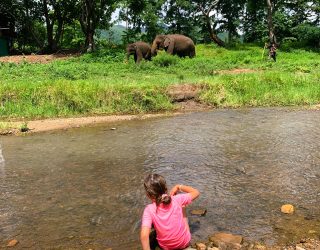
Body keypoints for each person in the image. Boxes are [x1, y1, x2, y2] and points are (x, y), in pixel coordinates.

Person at [140, 173, 200, 250]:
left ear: (148, 195)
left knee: (152, 228)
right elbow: (196, 192)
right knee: (182, 207)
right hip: (184, 242)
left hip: (166, 247)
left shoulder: (149, 209)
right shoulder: (177, 199)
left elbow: (144, 235)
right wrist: (178, 186)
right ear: (166, 189)